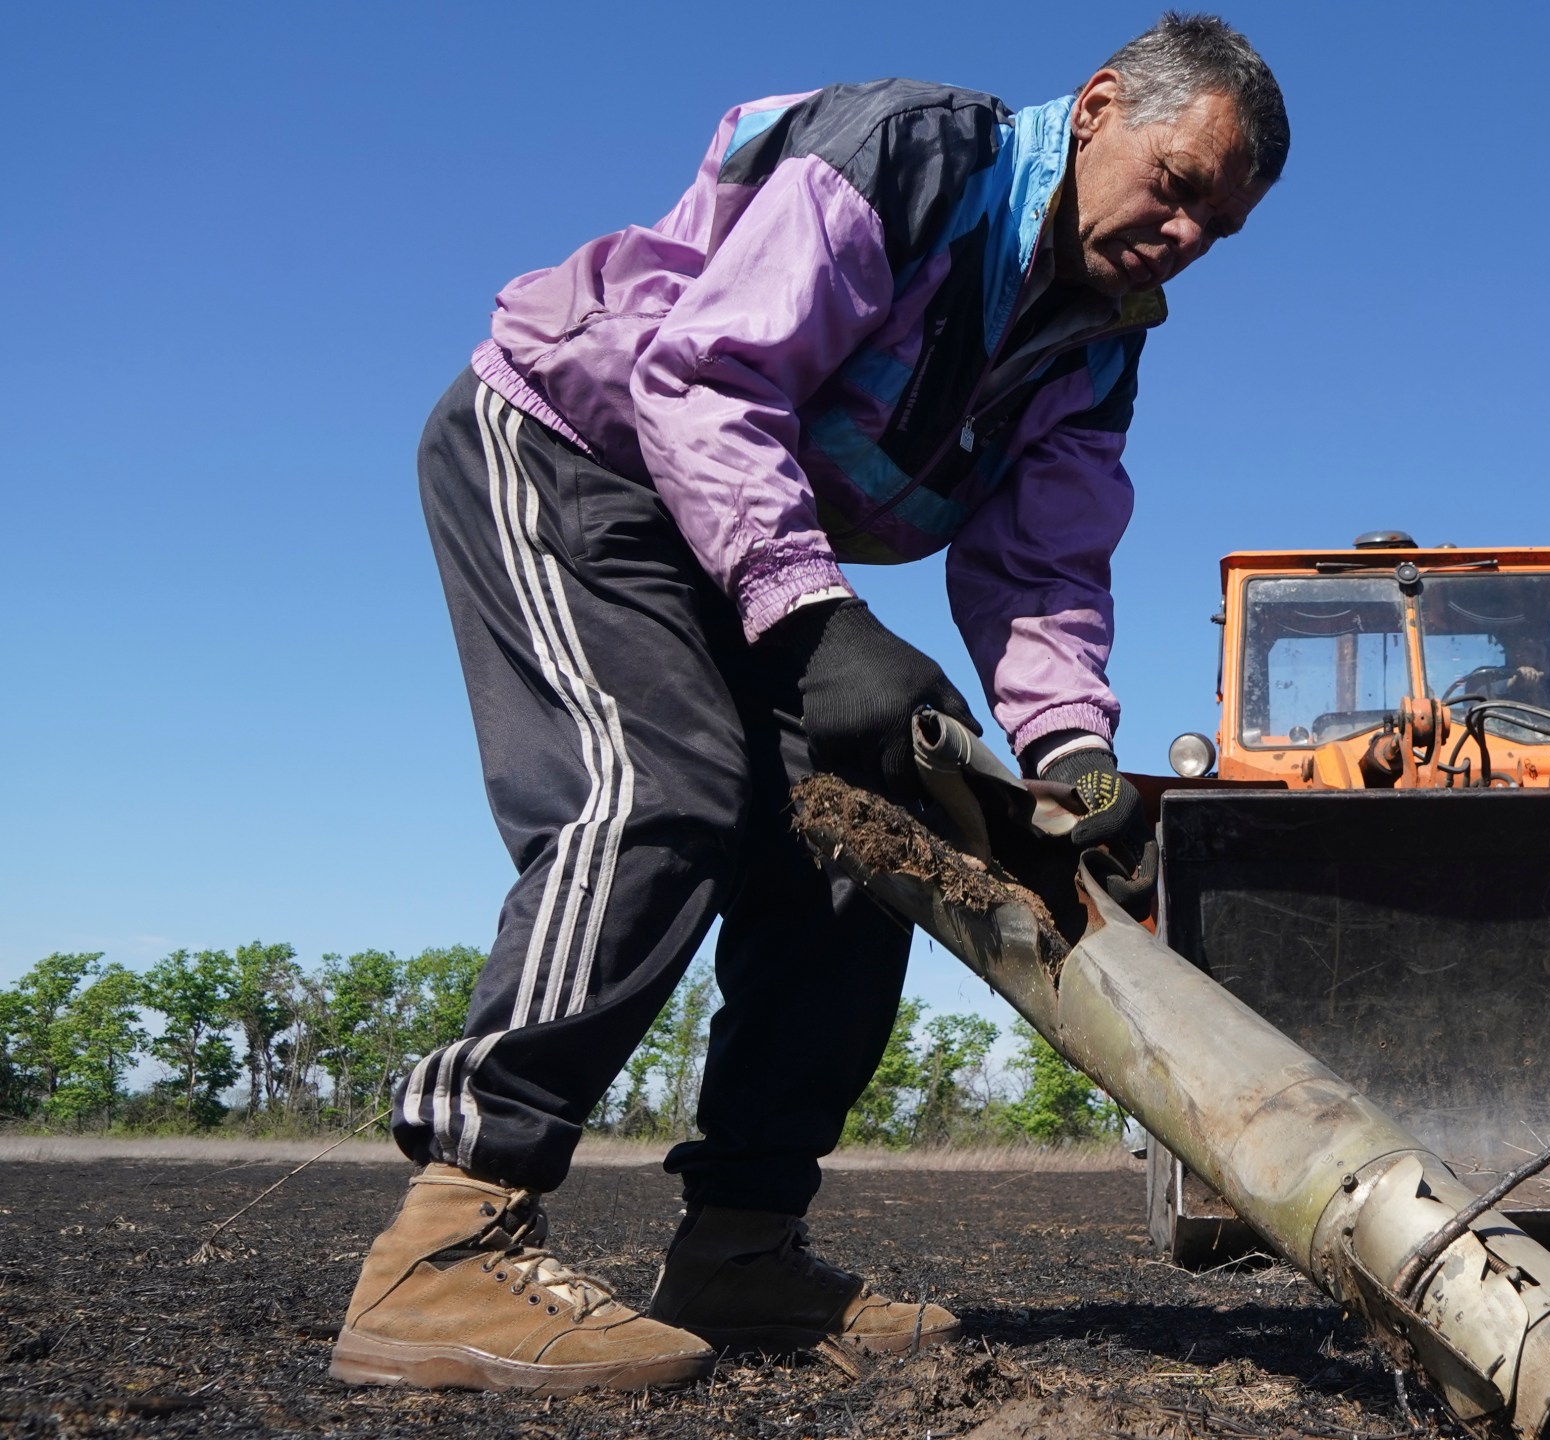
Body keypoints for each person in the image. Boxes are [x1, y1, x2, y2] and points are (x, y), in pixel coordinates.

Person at [329, 14, 1286, 1393]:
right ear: (1096, 110)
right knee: (663, 787)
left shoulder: (1100, 345)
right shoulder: (917, 157)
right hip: (577, 455)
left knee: (866, 846)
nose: (1186, 236)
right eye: (1179, 185)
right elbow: (707, 378)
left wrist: (1075, 758)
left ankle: (740, 1245)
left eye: (1220, 228)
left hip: (739, 535)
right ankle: (449, 1239)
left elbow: (1043, 566)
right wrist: (815, 615)